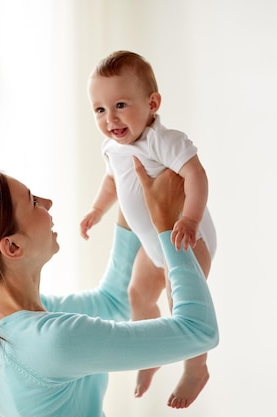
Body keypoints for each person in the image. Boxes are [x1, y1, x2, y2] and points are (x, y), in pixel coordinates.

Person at [0, 161, 219, 417]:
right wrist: (167, 224)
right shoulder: (53, 341)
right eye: (33, 201)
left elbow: (113, 302)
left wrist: (132, 194)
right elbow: (198, 331)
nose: (48, 202)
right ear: (13, 246)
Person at [80, 50, 218, 409]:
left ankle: (196, 368)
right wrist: (97, 209)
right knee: (136, 295)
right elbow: (113, 182)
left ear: (152, 103)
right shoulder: (112, 146)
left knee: (182, 302)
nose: (110, 118)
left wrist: (188, 219)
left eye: (120, 105)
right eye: (99, 109)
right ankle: (152, 355)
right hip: (151, 243)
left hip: (187, 238)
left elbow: (195, 175)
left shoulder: (162, 139)